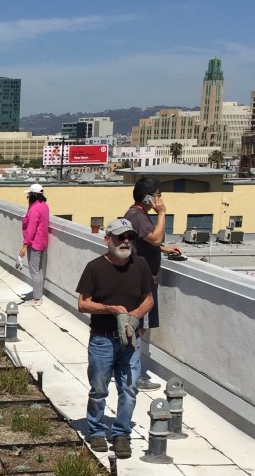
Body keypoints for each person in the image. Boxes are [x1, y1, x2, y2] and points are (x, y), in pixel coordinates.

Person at [76, 218, 155, 459]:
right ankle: (97, 430)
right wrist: (112, 310)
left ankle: (121, 433)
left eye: (129, 237)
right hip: (102, 340)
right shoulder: (94, 267)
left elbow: (149, 299)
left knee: (129, 389)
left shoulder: (140, 265)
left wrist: (135, 315)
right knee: (99, 389)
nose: (126, 241)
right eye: (120, 237)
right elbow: (83, 304)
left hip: (130, 341)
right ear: (107, 240)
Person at [123, 176, 182, 390]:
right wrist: (162, 213)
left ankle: (126, 369)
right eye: (157, 195)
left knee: (137, 327)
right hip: (144, 281)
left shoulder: (135, 215)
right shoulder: (138, 215)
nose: (160, 199)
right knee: (139, 328)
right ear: (148, 197)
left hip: (138, 278)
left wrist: (163, 248)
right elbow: (155, 238)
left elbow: (147, 241)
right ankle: (132, 375)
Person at [19, 183, 50, 305]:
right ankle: (38, 295)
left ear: (32, 195)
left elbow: (31, 229)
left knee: (34, 271)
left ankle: (37, 299)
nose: (27, 197)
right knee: (39, 270)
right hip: (42, 241)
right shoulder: (44, 206)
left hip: (35, 243)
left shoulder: (34, 209)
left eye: (28, 195)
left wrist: (25, 246)